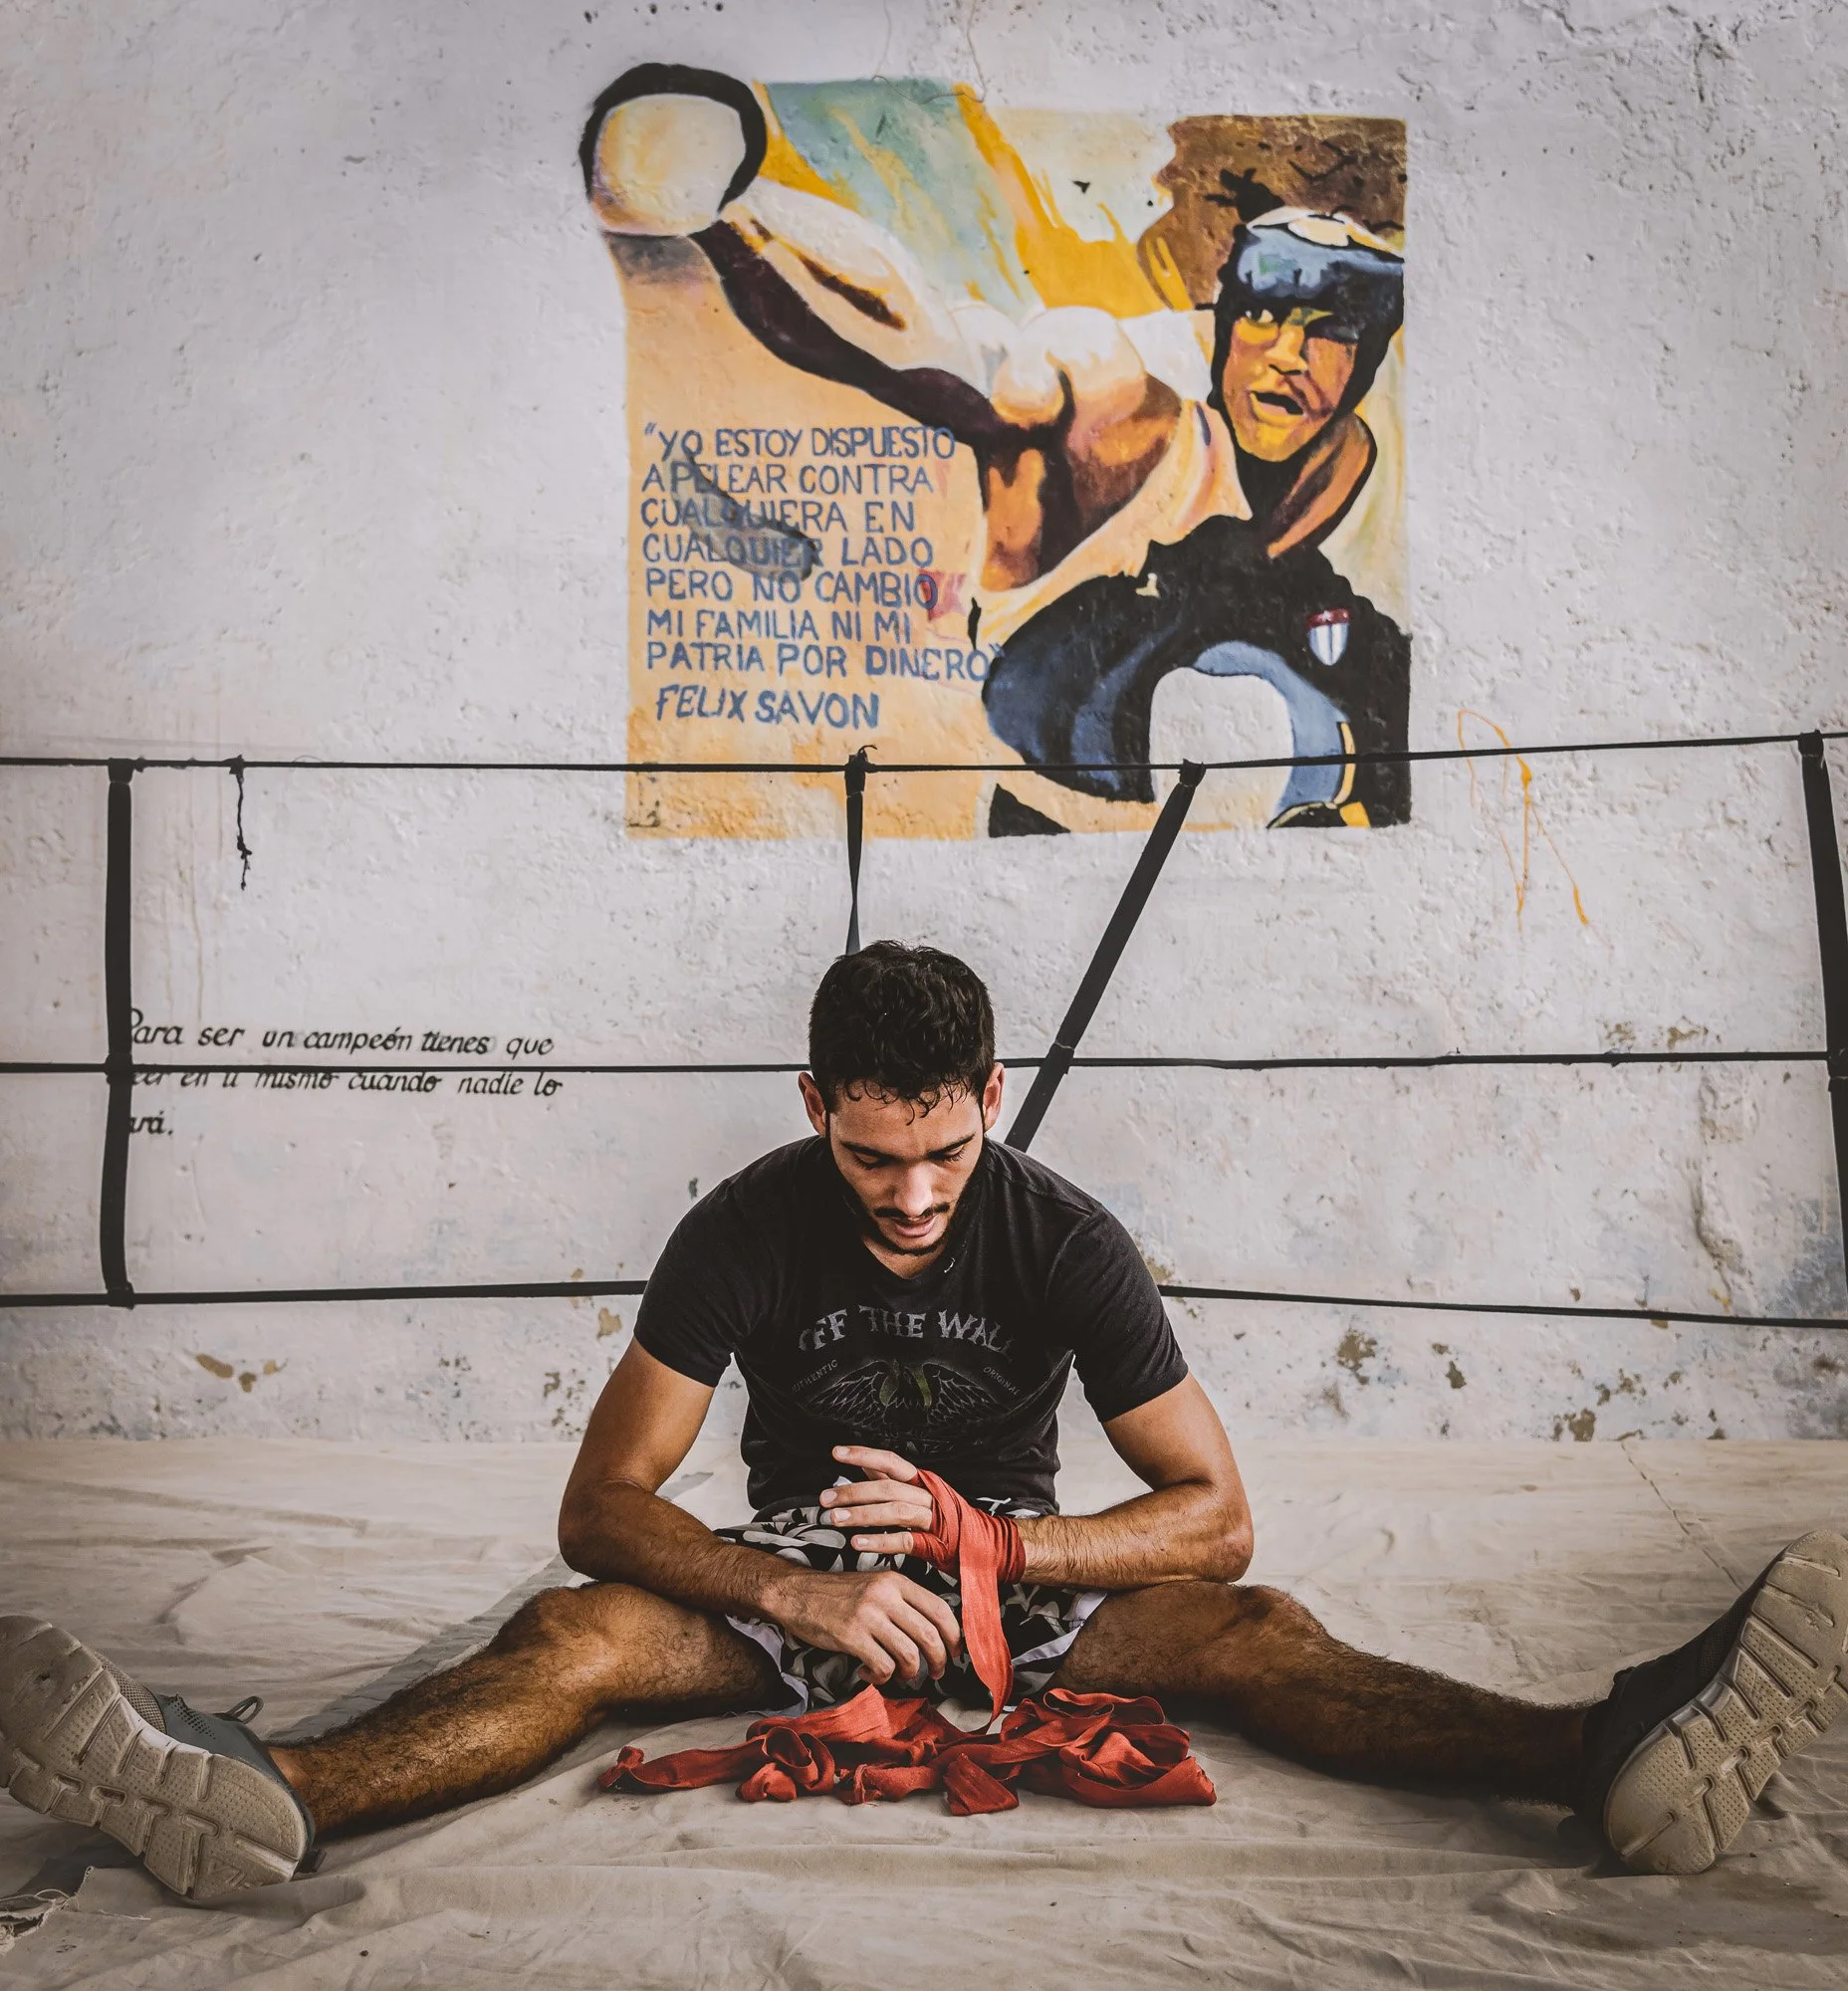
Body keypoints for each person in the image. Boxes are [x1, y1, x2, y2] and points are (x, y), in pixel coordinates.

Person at [2, 942, 1845, 1900]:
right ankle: (264, 1795)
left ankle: (1589, 1756)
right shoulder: (741, 1222)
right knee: (562, 1639)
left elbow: (1213, 1513)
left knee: (1260, 1633)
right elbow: (602, 1504)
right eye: (870, 1156)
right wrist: (797, 1598)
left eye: (943, 1152)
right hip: (788, 1581)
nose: (905, 1196)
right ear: (819, 1104)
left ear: (989, 1097)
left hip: (1023, 1592)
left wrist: (998, 1549)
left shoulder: (1064, 1235)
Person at [582, 65, 1410, 831]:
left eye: (1329, 334)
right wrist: (733, 219)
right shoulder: (1114, 391)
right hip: (1044, 732)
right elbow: (935, 361)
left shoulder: (1342, 456)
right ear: (1228, 316)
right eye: (1265, 318)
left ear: (1367, 356)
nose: (1288, 356)